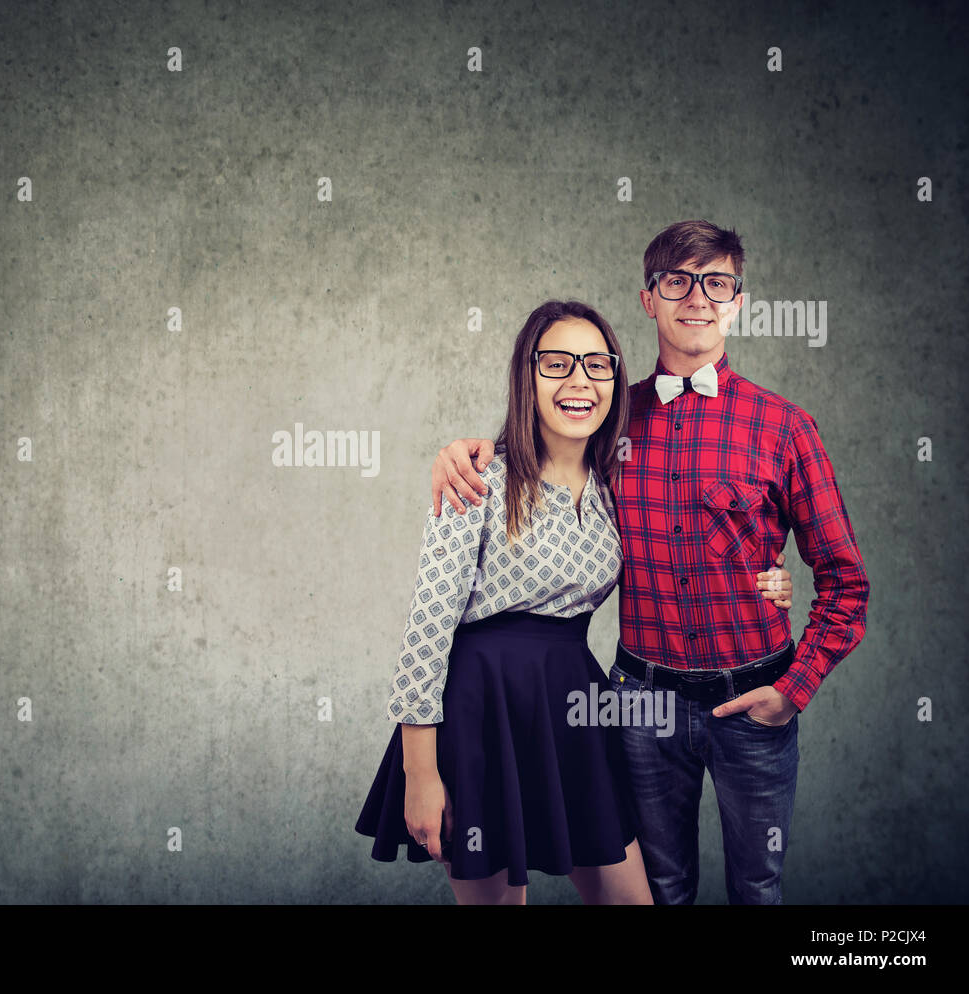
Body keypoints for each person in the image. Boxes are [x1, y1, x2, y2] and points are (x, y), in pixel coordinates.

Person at [426, 220, 868, 904]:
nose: (698, 298)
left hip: (753, 705)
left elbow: (845, 584)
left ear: (738, 302)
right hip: (639, 710)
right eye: (677, 282)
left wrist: (795, 689)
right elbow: (539, 449)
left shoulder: (784, 427)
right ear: (648, 299)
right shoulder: (609, 421)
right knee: (661, 891)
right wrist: (466, 451)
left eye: (717, 282)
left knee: (758, 887)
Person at [354, 298, 795, 905]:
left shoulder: (618, 485)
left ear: (615, 377)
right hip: (480, 713)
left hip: (574, 711)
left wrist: (768, 582)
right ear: (526, 377)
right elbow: (426, 631)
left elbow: (692, 552)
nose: (578, 380)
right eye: (557, 363)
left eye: (596, 364)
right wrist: (420, 772)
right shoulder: (478, 481)